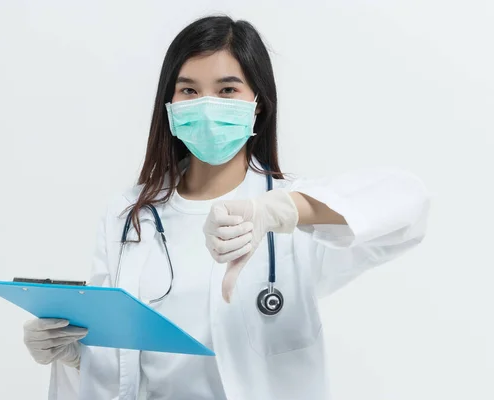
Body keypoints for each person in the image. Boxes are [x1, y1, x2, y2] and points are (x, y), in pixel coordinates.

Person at [22, 15, 430, 400]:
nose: (206, 105)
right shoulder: (128, 215)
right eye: (189, 90)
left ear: (259, 103)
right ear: (170, 103)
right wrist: (78, 353)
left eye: (227, 89)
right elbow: (122, 360)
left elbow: (409, 203)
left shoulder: (293, 213)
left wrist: (279, 212)